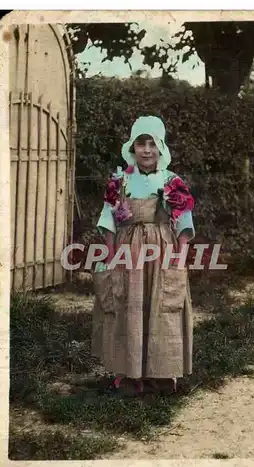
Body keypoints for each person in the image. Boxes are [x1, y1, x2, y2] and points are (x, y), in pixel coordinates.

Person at [93, 116, 195, 395]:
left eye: (152, 144)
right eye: (141, 143)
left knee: (162, 308)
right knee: (129, 307)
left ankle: (162, 374)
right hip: (128, 251)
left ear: (161, 147)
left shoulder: (171, 180)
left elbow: (184, 223)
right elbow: (109, 221)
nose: (147, 150)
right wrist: (112, 254)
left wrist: (180, 254)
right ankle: (128, 373)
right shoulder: (120, 180)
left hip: (162, 249)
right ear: (132, 147)